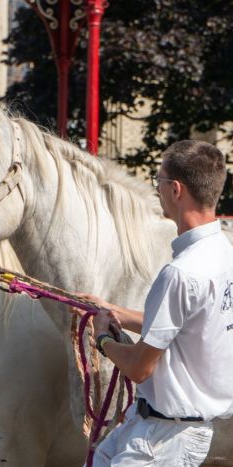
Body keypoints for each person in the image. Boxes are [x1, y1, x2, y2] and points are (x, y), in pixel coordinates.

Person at [82, 140, 233, 466]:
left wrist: (103, 339)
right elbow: (184, 327)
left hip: (164, 439)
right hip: (156, 426)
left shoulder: (180, 273)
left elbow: (138, 367)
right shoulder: (222, 250)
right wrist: (112, 310)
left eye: (159, 182)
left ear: (175, 189)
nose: (158, 189)